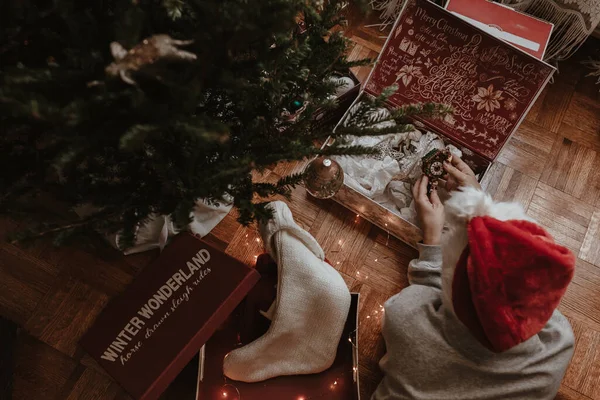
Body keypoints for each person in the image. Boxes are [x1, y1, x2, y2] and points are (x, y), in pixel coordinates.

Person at [372, 157, 576, 400]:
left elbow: (426, 291)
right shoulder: (558, 344)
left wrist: (433, 240)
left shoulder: (403, 316)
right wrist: (482, 208)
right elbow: (517, 286)